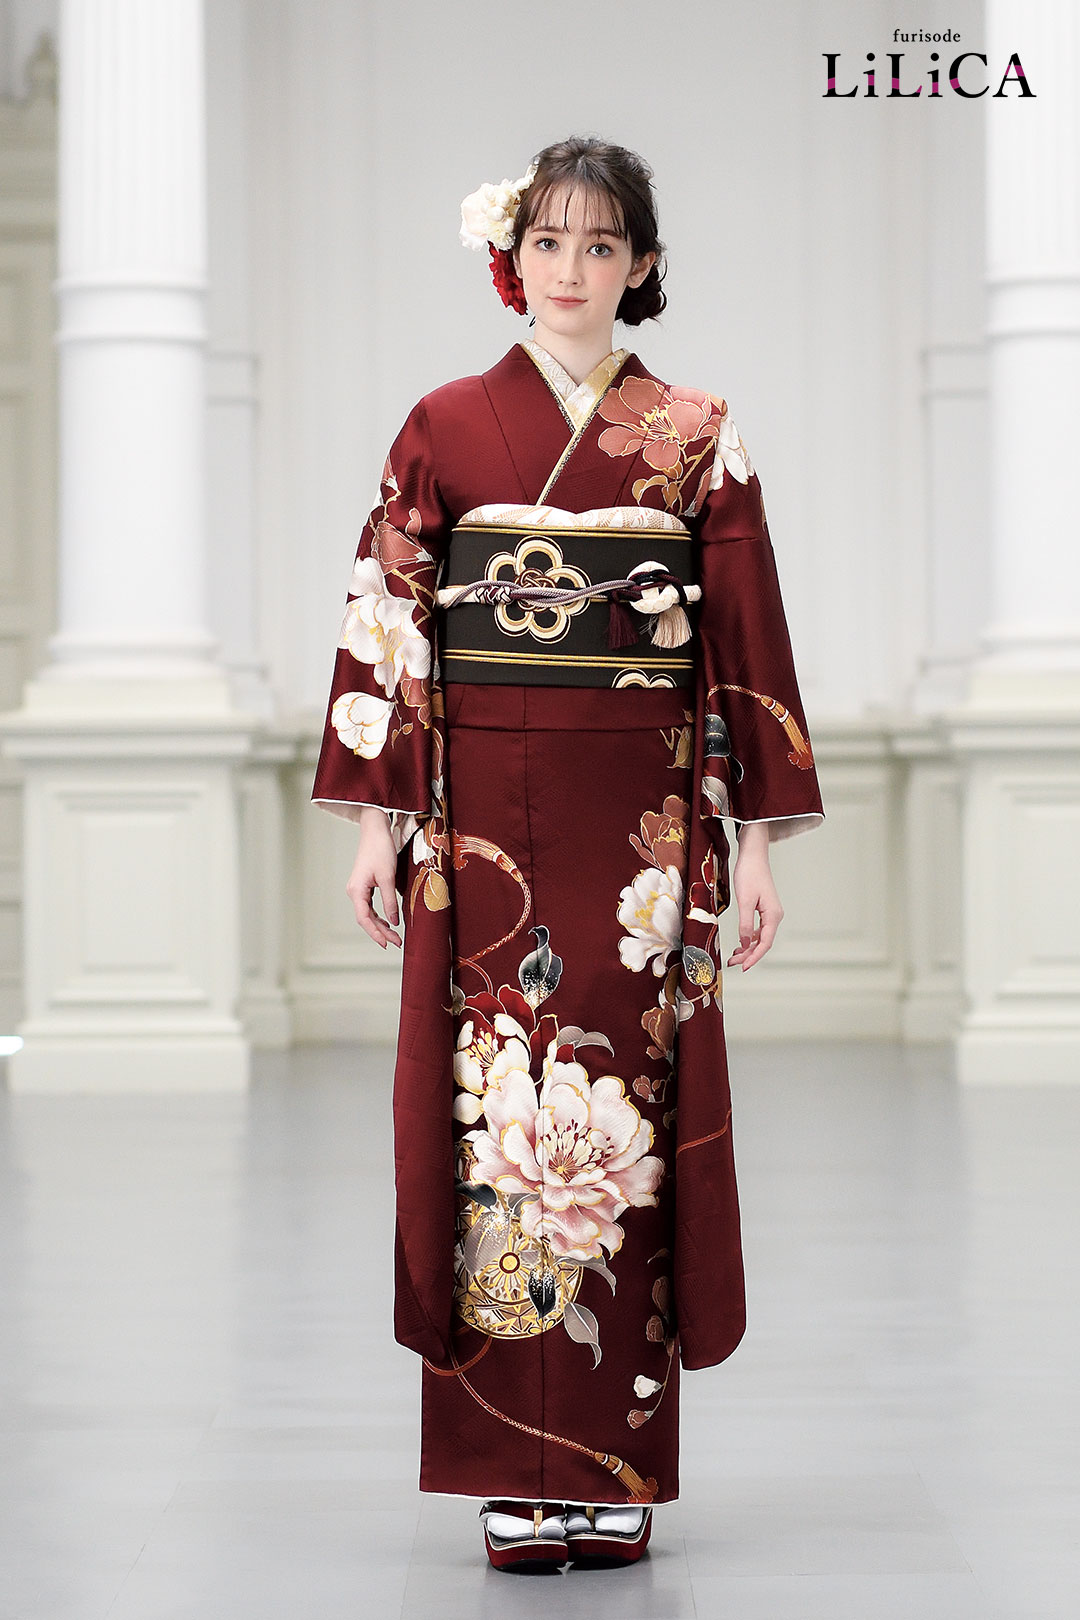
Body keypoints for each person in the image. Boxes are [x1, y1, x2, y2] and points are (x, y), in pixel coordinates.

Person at [310, 135, 825, 1572]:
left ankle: (614, 1466)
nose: (573, 270)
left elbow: (744, 645)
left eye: (603, 245)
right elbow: (389, 622)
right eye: (550, 242)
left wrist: (755, 845)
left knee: (623, 1122)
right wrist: (377, 823)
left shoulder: (697, 433)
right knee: (492, 1116)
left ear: (641, 266)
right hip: (477, 809)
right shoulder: (441, 426)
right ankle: (506, 1469)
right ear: (511, 257)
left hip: (642, 824)